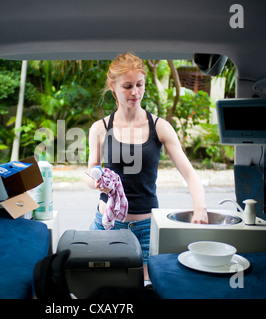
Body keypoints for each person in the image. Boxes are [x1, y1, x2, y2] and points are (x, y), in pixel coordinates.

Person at [86, 53, 208, 283]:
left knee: (144, 290)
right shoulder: (99, 128)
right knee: (102, 290)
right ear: (113, 87)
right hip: (105, 227)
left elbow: (190, 175)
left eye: (139, 85)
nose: (135, 92)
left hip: (145, 230)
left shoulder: (160, 127)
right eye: (127, 86)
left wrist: (200, 208)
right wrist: (97, 182)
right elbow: (90, 171)